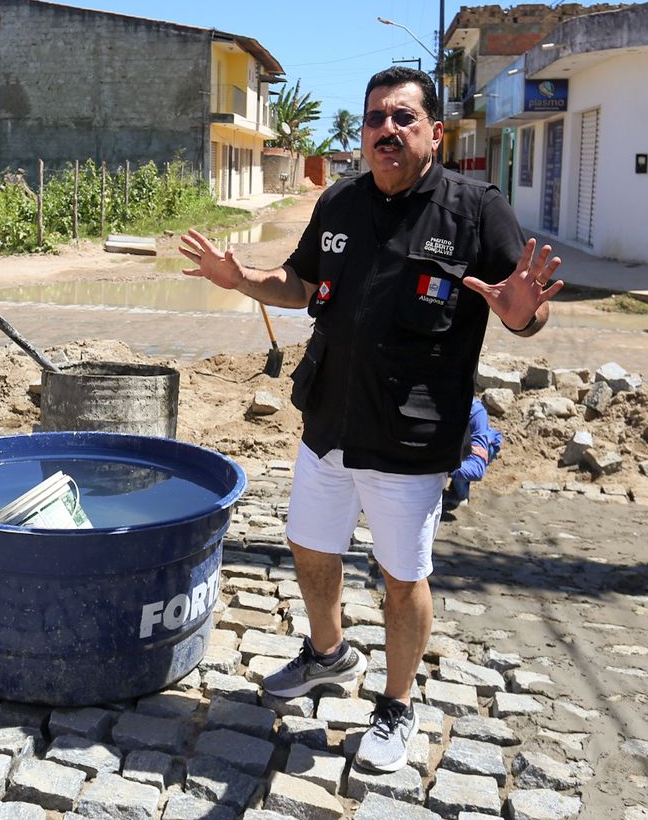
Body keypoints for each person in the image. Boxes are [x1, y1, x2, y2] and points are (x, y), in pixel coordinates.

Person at [178, 65, 560, 773]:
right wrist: (242, 280)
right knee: (307, 546)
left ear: (435, 133)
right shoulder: (342, 202)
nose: (388, 130)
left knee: (401, 576)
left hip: (412, 436)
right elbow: (296, 283)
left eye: (403, 118)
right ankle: (328, 654)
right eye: (377, 118)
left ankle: (396, 705)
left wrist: (524, 314)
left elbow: (523, 307)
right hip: (330, 418)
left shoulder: (476, 210)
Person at [443, 398, 502, 513]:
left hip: (484, 446)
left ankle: (459, 496)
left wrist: (438, 468)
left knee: (461, 464)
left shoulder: (474, 409)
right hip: (455, 442)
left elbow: (476, 469)